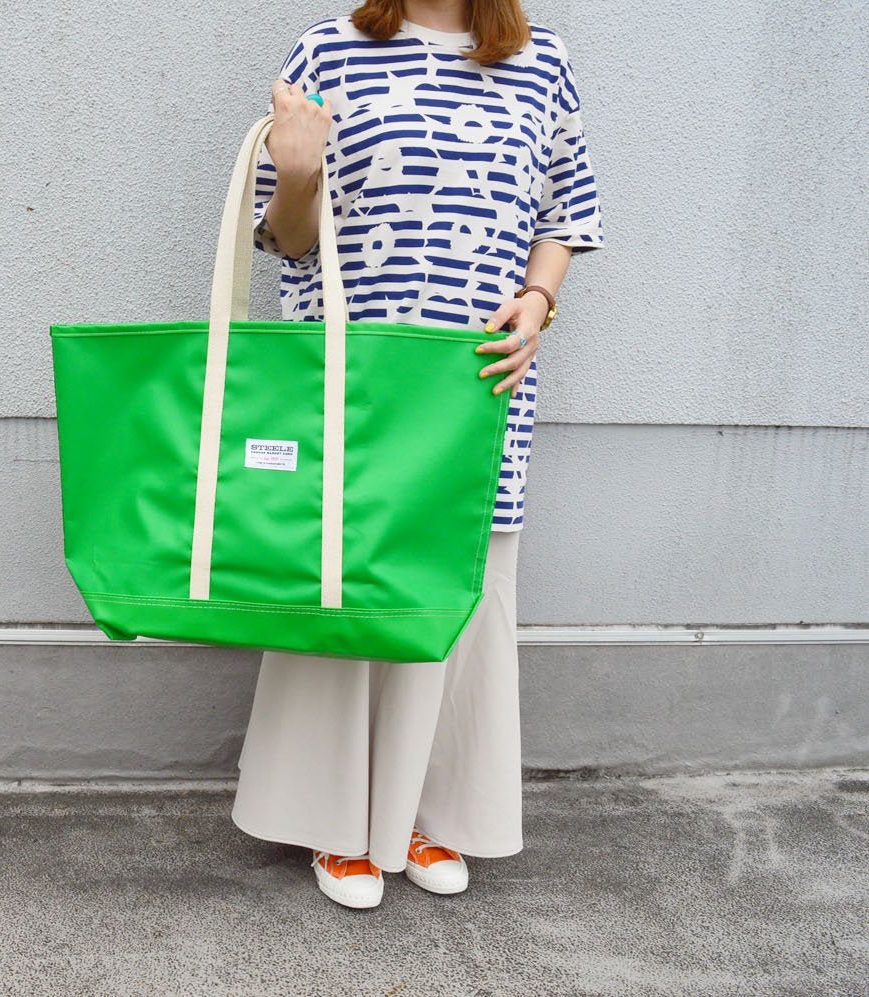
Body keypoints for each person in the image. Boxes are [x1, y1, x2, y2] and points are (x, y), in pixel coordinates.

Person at [231, 0, 607, 909]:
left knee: (460, 596)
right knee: (343, 579)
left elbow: (568, 208)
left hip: (477, 384)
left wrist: (539, 300)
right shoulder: (332, 49)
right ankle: (335, 823)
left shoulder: (541, 60)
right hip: (353, 383)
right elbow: (281, 238)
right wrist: (298, 169)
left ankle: (421, 812)